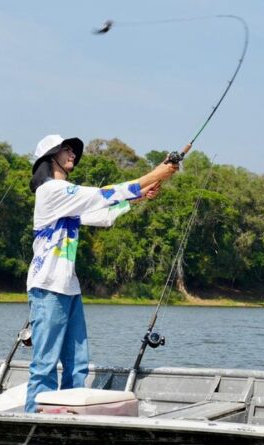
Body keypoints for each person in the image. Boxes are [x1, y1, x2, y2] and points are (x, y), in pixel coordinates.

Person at [25, 134, 179, 412]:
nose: (72, 153)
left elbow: (101, 214)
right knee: (45, 364)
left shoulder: (66, 197)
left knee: (78, 364)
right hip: (47, 288)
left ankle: (69, 417)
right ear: (50, 157)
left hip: (69, 288)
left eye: (73, 150)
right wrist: (154, 174)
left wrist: (138, 197)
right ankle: (32, 420)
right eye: (66, 149)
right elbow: (101, 193)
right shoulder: (50, 191)